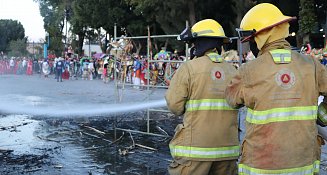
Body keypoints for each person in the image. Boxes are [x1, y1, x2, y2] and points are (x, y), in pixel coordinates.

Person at [225, 3, 327, 174]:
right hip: (304, 163)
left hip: (262, 165)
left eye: (251, 40)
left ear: (259, 37)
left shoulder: (248, 71)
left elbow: (232, 100)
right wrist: (322, 115)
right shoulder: (312, 66)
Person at [165, 19, 239, 175]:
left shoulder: (189, 68)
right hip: (228, 151)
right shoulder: (233, 70)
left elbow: (175, 106)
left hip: (195, 152)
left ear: (199, 43)